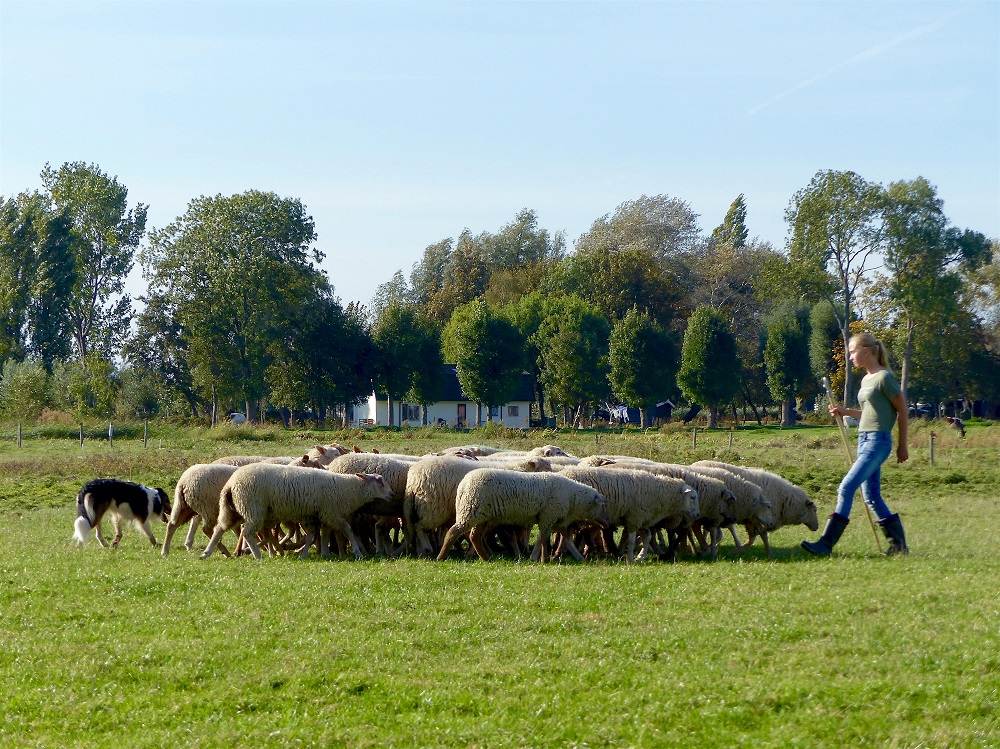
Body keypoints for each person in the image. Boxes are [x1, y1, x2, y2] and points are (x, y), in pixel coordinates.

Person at [802, 332, 909, 556]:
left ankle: (825, 545)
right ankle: (898, 546)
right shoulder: (867, 379)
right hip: (864, 439)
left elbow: (902, 410)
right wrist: (844, 411)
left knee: (846, 487)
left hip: (878, 441)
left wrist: (902, 446)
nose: (850, 356)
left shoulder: (884, 378)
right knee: (871, 495)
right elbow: (870, 412)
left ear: (866, 351)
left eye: (852, 352)